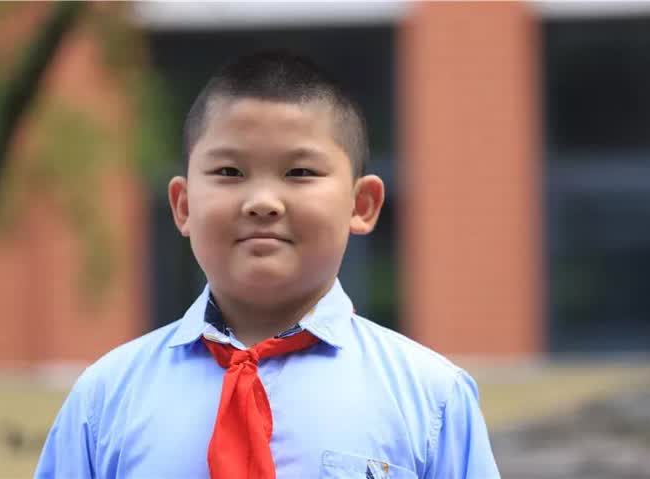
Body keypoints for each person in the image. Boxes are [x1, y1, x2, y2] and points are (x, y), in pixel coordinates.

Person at [35, 50, 500, 479]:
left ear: (362, 204)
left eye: (300, 172)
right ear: (183, 205)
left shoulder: (431, 399)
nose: (262, 201)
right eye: (229, 172)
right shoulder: (105, 400)